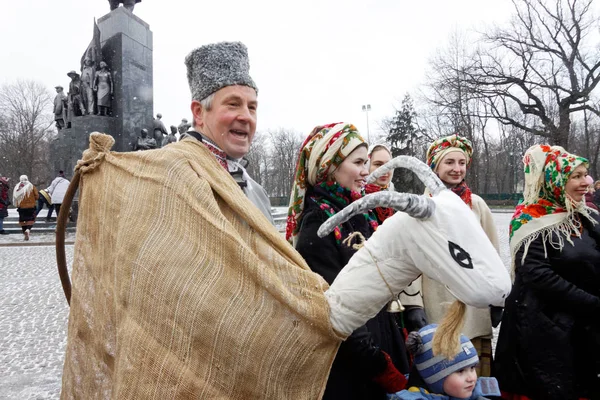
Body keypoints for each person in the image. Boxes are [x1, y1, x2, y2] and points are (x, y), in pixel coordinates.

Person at [61, 42, 344, 399]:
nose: (247, 116)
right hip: (180, 369)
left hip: (242, 362)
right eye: (233, 104)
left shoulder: (253, 188)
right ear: (198, 112)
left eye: (252, 106)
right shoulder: (170, 173)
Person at [287, 122, 409, 399]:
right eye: (358, 162)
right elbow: (335, 311)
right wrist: (380, 367)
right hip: (352, 370)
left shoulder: (358, 213)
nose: (367, 171)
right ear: (330, 166)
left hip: (377, 347)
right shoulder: (318, 223)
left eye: (366, 162)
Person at [493, 145, 600, 400]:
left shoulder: (587, 216)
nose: (584, 182)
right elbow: (537, 274)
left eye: (585, 174)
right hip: (543, 328)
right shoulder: (531, 219)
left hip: (584, 327)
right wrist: (592, 303)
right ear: (555, 180)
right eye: (575, 176)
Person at [400, 134, 499, 377]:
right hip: (437, 298)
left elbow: (492, 253)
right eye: (449, 162)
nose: (457, 169)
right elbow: (410, 257)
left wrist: (498, 296)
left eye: (462, 163)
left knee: (473, 377)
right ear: (435, 166)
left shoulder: (477, 205)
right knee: (441, 372)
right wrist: (414, 304)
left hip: (473, 301)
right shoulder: (420, 205)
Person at [389, 324, 501, 400]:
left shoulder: (475, 394)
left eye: (472, 368)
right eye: (460, 370)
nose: (471, 378)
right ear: (434, 377)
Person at [365, 144, 395, 224]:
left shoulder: (395, 199)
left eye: (388, 165)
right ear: (367, 166)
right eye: (378, 164)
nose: (384, 170)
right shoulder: (361, 200)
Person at [13, 175, 38, 241]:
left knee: (22, 220)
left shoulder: (17, 187)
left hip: (21, 207)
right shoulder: (31, 186)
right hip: (31, 207)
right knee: (31, 220)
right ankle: (28, 230)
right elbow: (37, 196)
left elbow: (15, 196)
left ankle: (25, 232)